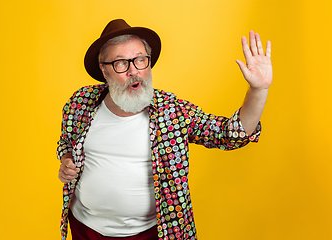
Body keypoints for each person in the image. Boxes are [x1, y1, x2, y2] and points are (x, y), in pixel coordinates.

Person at [57, 19, 272, 240]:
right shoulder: (81, 102)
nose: (134, 71)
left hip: (154, 234)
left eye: (140, 60)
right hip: (85, 229)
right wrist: (66, 161)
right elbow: (66, 143)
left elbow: (229, 135)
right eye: (121, 63)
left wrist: (258, 89)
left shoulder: (172, 112)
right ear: (104, 69)